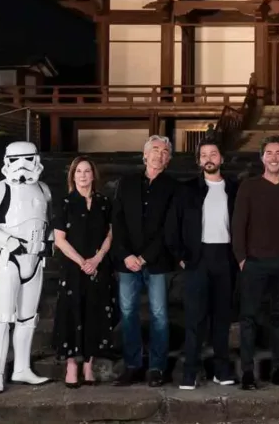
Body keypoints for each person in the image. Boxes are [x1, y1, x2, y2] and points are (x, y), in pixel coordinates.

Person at [0, 141, 53, 393]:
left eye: (28, 158)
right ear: (7, 161)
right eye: (16, 159)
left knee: (27, 318)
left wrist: (49, 242)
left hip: (35, 259)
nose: (22, 165)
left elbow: (48, 222)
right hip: (9, 259)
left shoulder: (43, 188)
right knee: (2, 318)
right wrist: (7, 240)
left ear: (36, 159)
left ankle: (21, 368)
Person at [165, 135, 239, 389]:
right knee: (195, 319)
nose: (209, 159)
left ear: (221, 158)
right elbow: (172, 226)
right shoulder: (186, 190)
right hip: (197, 258)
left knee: (222, 318)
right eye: (204, 155)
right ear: (198, 161)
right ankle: (190, 372)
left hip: (225, 257)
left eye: (213, 154)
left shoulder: (235, 188)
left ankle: (221, 369)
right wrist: (181, 256)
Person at [232, 135, 279, 390]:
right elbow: (238, 224)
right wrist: (242, 258)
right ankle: (247, 373)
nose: (274, 157)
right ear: (262, 158)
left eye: (278, 153)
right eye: (269, 153)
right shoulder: (249, 187)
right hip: (254, 262)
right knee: (249, 318)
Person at [111, 135, 177, 387]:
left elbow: (169, 227)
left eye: (164, 151)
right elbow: (117, 221)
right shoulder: (126, 183)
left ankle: (157, 368)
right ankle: (133, 365)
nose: (159, 154)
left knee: (159, 314)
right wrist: (126, 255)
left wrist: (145, 257)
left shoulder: (173, 187)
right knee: (128, 313)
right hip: (127, 261)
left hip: (157, 261)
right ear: (145, 155)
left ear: (168, 159)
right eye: (155, 149)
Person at [52, 156, 115, 388]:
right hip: (73, 266)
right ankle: (71, 365)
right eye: (78, 171)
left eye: (87, 171)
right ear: (73, 175)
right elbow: (59, 240)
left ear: (93, 175)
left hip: (98, 265)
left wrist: (96, 259)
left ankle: (88, 365)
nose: (83, 175)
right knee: (71, 312)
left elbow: (110, 234)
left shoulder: (104, 202)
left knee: (95, 312)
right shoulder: (65, 202)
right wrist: (82, 262)